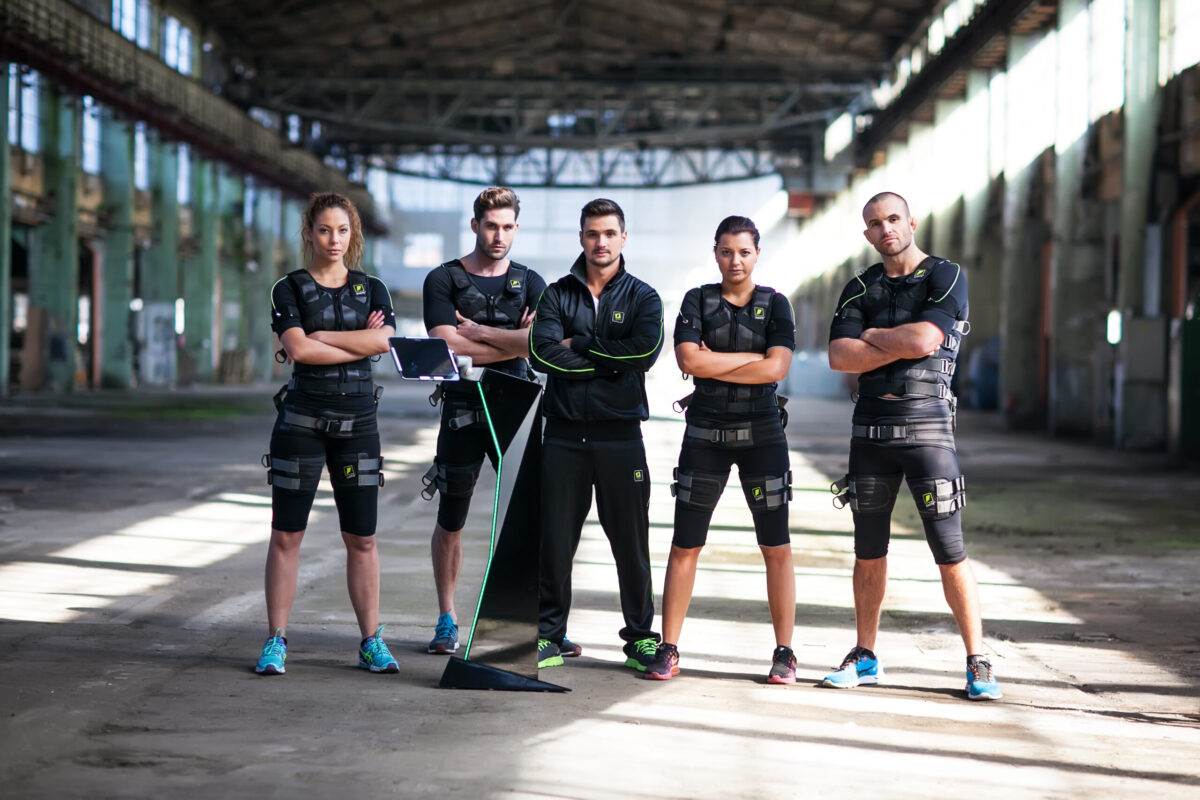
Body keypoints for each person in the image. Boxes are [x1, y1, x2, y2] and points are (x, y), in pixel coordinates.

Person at [824, 191, 1001, 700]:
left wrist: (872, 339)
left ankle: (977, 660)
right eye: (875, 223)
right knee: (867, 552)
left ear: (911, 222)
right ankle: (865, 655)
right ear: (867, 234)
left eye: (894, 219)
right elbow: (839, 356)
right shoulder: (859, 287)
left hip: (928, 430)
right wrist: (895, 339)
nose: (886, 230)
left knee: (950, 551)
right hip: (871, 433)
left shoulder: (946, 276)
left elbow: (927, 342)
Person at [643, 215, 797, 683]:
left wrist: (718, 364)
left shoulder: (776, 305)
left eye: (744, 252)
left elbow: (777, 370)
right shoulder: (697, 300)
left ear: (757, 254)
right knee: (685, 543)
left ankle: (784, 652)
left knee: (776, 546)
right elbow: (688, 359)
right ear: (715, 253)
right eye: (727, 251)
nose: (735, 260)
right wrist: (754, 359)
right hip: (705, 434)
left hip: (763, 435)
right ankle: (669, 648)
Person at [256, 192, 398, 676]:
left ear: (353, 233)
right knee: (286, 535)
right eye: (324, 230)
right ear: (309, 233)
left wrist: (325, 339)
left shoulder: (372, 289)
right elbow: (298, 351)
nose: (334, 240)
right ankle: (276, 639)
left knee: (362, 538)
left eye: (342, 230)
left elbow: (385, 341)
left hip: (359, 426)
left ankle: (370, 642)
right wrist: (353, 344)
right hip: (301, 425)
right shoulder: (288, 288)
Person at [529, 198, 663, 671]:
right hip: (563, 436)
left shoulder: (643, 297)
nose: (600, 242)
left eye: (609, 233)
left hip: (620, 436)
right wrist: (608, 363)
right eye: (592, 234)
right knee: (555, 539)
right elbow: (541, 356)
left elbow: (643, 353)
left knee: (630, 540)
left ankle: (642, 638)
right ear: (581, 237)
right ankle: (548, 635)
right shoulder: (556, 294)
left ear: (623, 238)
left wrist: (581, 346)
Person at [419, 187, 546, 655]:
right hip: (462, 409)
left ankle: (536, 621)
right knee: (450, 518)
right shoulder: (443, 279)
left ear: (516, 228)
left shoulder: (532, 282)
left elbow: (542, 345)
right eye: (491, 225)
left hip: (517, 406)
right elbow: (445, 343)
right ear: (475, 226)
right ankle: (447, 618)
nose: (499, 235)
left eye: (508, 226)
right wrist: (512, 340)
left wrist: (481, 333)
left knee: (526, 519)